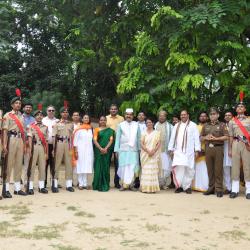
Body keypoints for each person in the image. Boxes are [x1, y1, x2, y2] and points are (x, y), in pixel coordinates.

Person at [168, 110, 200, 194]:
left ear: (188, 115)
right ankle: (179, 186)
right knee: (179, 168)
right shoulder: (177, 126)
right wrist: (171, 149)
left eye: (184, 115)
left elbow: (196, 138)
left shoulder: (193, 125)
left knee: (189, 169)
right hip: (178, 151)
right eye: (181, 115)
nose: (183, 116)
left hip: (189, 152)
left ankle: (187, 186)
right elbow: (172, 138)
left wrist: (197, 150)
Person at [2, 92, 26, 197]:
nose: (18, 105)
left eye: (19, 103)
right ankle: (5, 189)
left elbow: (24, 131)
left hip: (20, 140)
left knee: (18, 164)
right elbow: (4, 131)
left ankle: (17, 188)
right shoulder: (7, 115)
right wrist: (4, 145)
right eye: (16, 103)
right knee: (8, 164)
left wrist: (25, 144)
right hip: (10, 140)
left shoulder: (22, 116)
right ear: (12, 105)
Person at [201, 108, 229, 198]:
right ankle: (211, 188)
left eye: (214, 114)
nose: (212, 115)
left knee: (218, 170)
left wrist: (216, 139)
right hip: (208, 148)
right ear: (209, 116)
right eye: (211, 114)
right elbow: (201, 137)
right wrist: (206, 138)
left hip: (218, 148)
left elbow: (226, 137)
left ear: (218, 115)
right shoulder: (205, 125)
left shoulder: (222, 125)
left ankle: (219, 189)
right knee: (210, 170)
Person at [114, 108, 140, 191]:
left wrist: (139, 150)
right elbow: (117, 138)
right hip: (123, 150)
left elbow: (139, 138)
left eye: (130, 114)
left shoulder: (136, 125)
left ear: (133, 116)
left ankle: (131, 185)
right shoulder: (120, 125)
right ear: (125, 115)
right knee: (123, 166)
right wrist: (116, 150)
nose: (128, 116)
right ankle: (124, 185)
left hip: (133, 150)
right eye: (127, 114)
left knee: (132, 167)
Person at [229, 99, 250, 199]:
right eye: (238, 107)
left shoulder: (249, 120)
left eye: (242, 106)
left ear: (245, 109)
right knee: (235, 166)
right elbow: (230, 136)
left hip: (246, 144)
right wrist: (229, 148)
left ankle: (248, 190)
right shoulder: (232, 121)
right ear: (236, 110)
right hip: (236, 143)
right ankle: (234, 190)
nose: (240, 108)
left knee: (247, 166)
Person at [52, 106, 74, 192]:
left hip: (68, 144)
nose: (65, 113)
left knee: (69, 164)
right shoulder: (56, 124)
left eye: (66, 112)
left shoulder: (70, 124)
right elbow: (54, 137)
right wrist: (54, 148)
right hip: (59, 143)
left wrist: (72, 148)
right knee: (57, 164)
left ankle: (69, 185)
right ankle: (54, 184)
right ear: (60, 114)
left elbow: (72, 137)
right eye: (63, 112)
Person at [26, 109, 48, 194]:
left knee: (42, 167)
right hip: (34, 147)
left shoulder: (45, 127)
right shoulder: (30, 126)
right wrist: (30, 150)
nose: (39, 116)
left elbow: (45, 141)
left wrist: (46, 152)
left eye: (41, 115)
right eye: (37, 115)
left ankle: (41, 187)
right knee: (31, 167)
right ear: (34, 117)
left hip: (42, 148)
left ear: (42, 117)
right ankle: (30, 187)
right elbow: (30, 138)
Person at [92, 116, 115, 191]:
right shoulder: (96, 130)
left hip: (107, 151)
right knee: (98, 166)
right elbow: (95, 140)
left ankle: (105, 184)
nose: (102, 121)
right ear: (99, 121)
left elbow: (111, 140)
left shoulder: (110, 130)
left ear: (106, 121)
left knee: (105, 167)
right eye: (101, 120)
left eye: (104, 120)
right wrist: (100, 148)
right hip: (98, 151)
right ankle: (97, 184)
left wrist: (106, 148)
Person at [72, 114, 94, 190]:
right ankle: (80, 183)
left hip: (89, 150)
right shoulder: (79, 129)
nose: (86, 119)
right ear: (82, 119)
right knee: (80, 166)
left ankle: (85, 183)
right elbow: (75, 141)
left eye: (87, 118)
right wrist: (76, 151)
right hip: (80, 150)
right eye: (85, 118)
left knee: (86, 166)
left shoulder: (91, 128)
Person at [140, 118, 161, 193]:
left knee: (152, 170)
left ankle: (152, 188)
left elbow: (159, 143)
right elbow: (141, 143)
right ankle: (145, 188)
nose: (149, 124)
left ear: (153, 123)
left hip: (154, 154)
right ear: (146, 124)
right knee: (146, 170)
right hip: (145, 154)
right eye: (147, 123)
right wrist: (147, 151)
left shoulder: (157, 133)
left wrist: (153, 151)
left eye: (150, 122)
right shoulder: (143, 133)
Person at [106, 104, 124, 188]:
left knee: (118, 163)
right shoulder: (106, 118)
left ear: (117, 110)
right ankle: (106, 181)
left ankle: (117, 183)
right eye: (112, 109)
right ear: (109, 110)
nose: (113, 110)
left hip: (118, 143)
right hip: (108, 143)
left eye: (115, 109)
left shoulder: (121, 119)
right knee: (107, 162)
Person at [155, 110, 173, 189]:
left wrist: (171, 150)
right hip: (157, 151)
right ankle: (158, 183)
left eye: (163, 116)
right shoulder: (154, 126)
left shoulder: (170, 126)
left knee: (166, 168)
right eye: (160, 116)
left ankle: (164, 184)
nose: (161, 117)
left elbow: (173, 139)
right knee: (158, 168)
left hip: (166, 151)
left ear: (166, 117)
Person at [42, 105, 59, 188]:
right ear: (46, 111)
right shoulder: (42, 120)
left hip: (55, 145)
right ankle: (43, 182)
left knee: (54, 164)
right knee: (44, 164)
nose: (51, 112)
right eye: (49, 110)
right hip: (45, 145)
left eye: (53, 110)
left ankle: (53, 182)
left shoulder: (57, 121)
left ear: (55, 111)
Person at [193, 112, 209, 192]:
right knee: (198, 168)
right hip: (197, 150)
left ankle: (205, 187)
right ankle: (196, 186)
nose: (202, 117)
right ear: (199, 118)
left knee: (205, 169)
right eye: (201, 116)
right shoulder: (196, 127)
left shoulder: (209, 126)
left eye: (204, 116)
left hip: (208, 150)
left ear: (207, 118)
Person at [22, 102, 35, 184]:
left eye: (30, 107)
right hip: (19, 141)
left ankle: (26, 180)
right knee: (16, 162)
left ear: (31, 109)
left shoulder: (33, 119)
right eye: (26, 107)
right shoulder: (20, 117)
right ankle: (16, 179)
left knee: (27, 162)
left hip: (28, 143)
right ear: (23, 108)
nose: (28, 109)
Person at [223, 111, 233, 194]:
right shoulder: (222, 125)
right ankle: (228, 187)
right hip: (224, 149)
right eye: (226, 115)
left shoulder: (236, 125)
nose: (227, 116)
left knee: (235, 169)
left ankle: (234, 188)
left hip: (235, 148)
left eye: (229, 115)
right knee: (226, 169)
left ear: (232, 116)